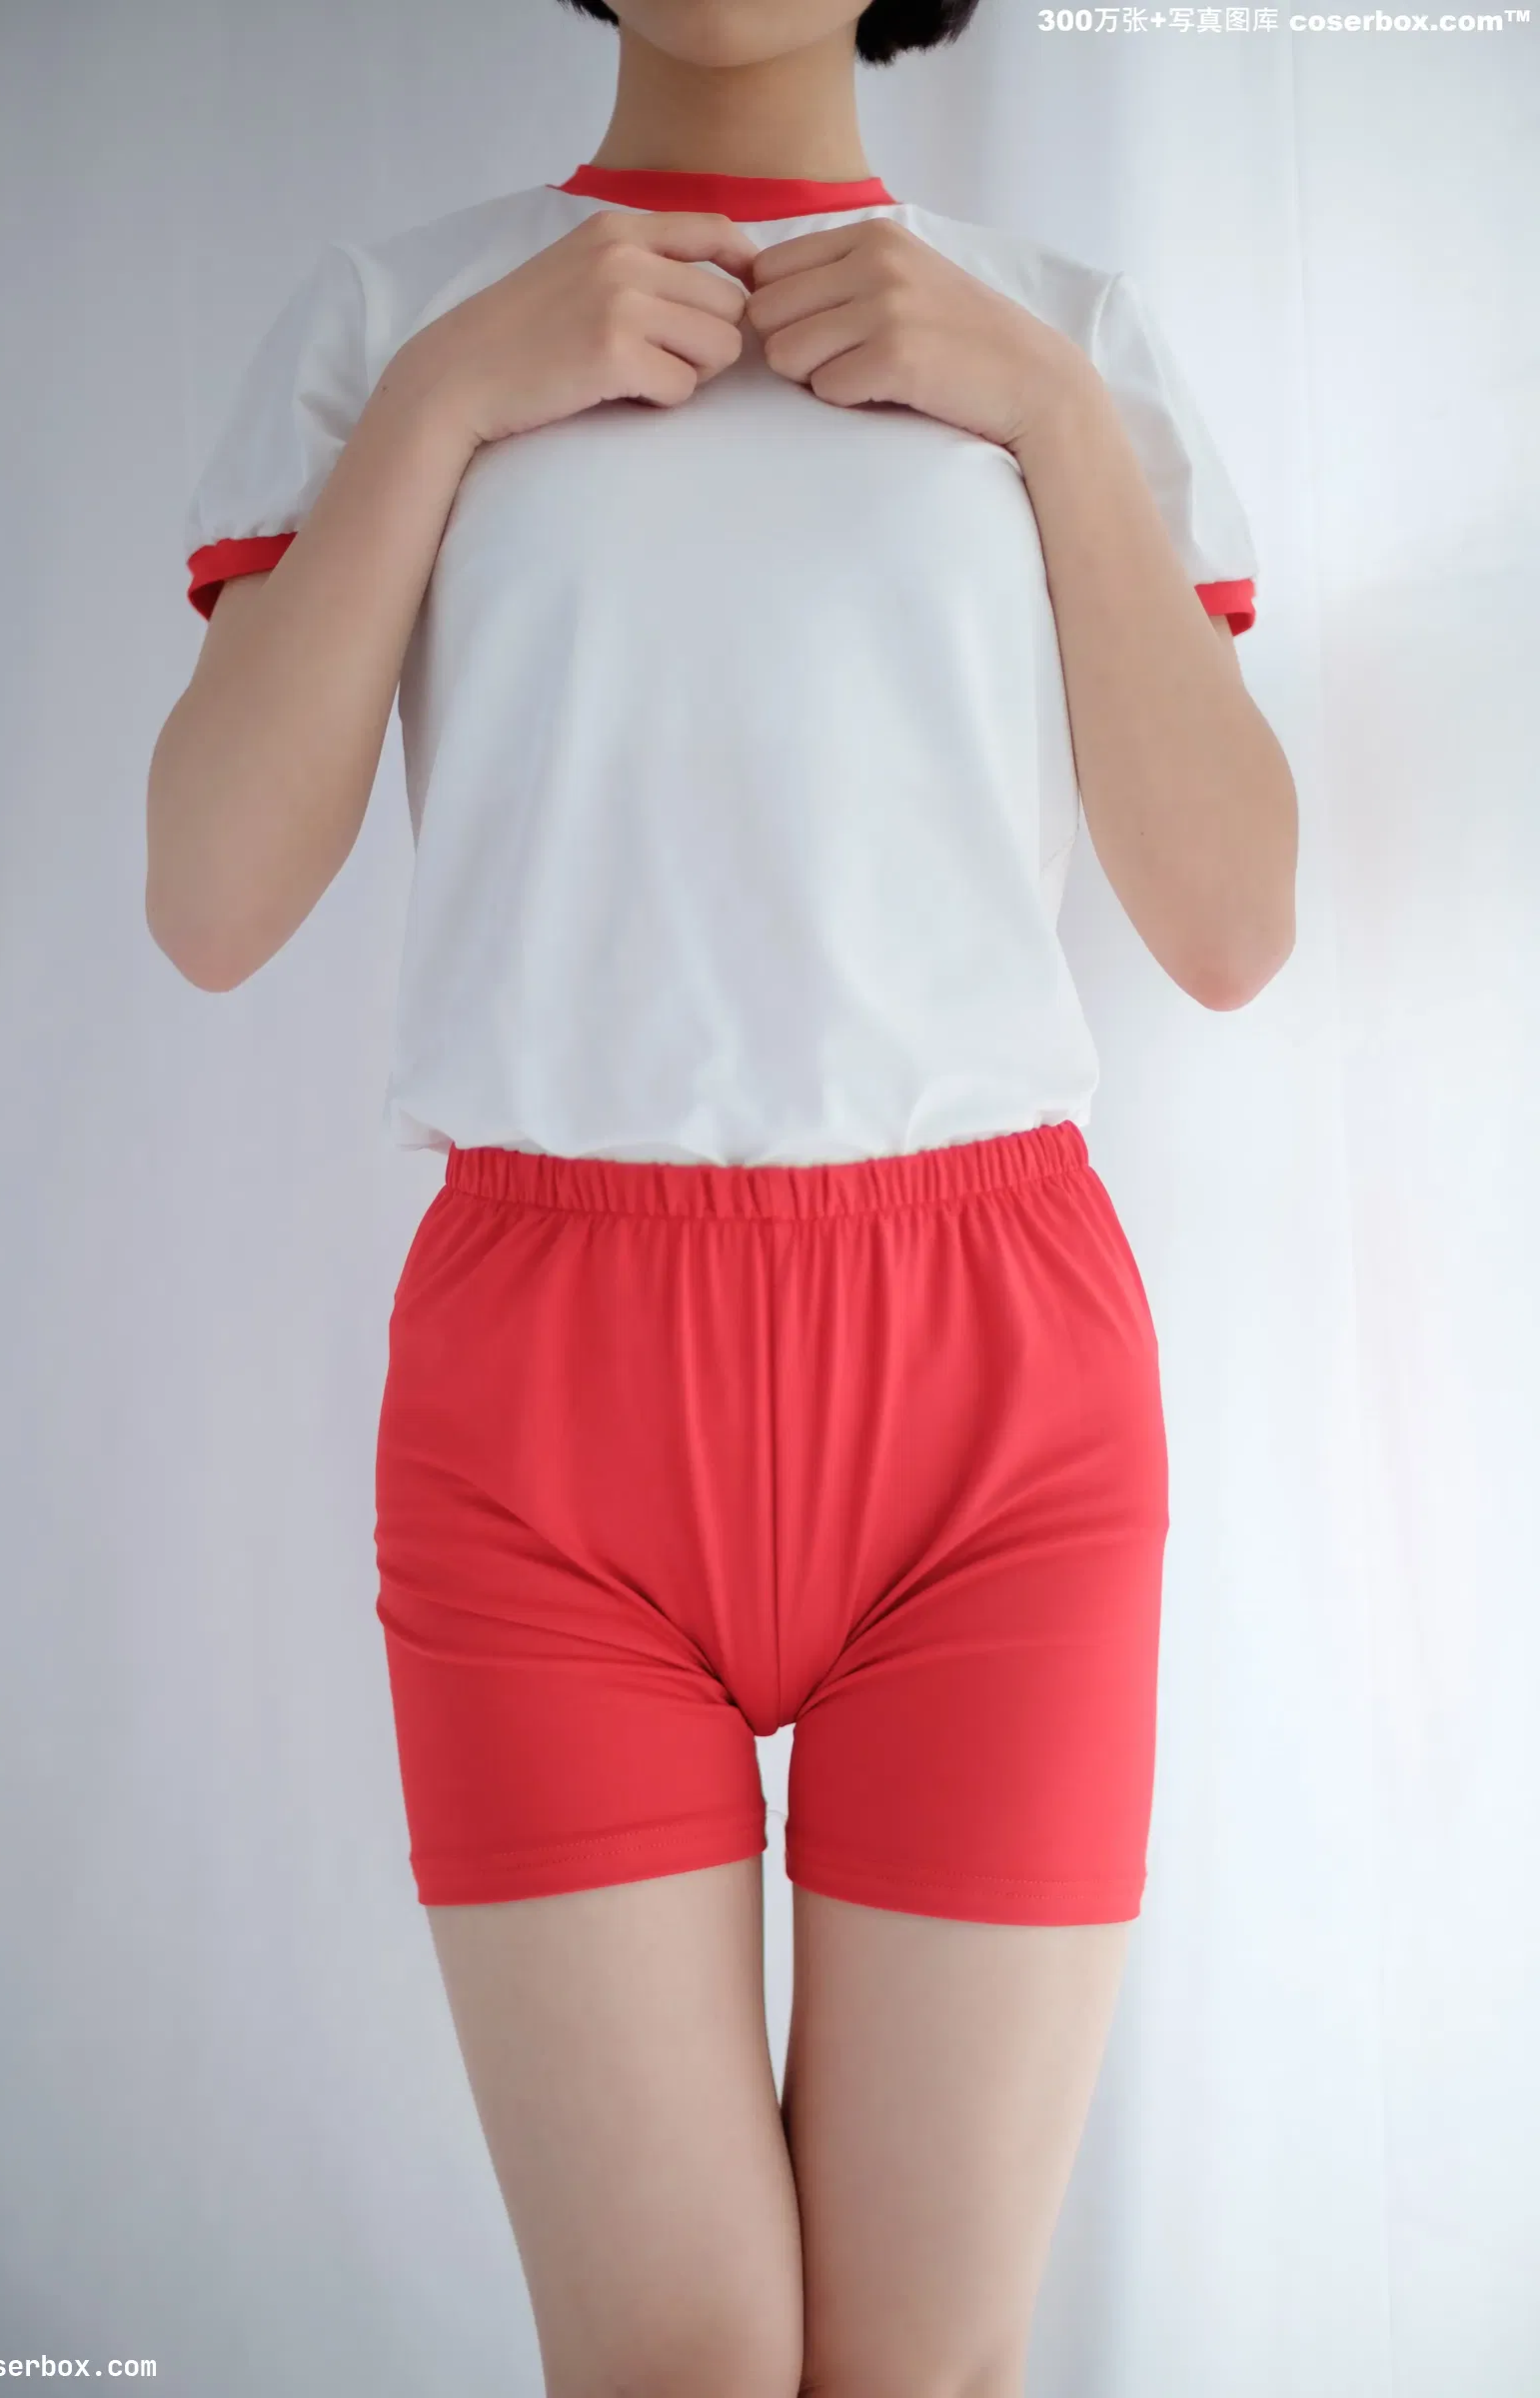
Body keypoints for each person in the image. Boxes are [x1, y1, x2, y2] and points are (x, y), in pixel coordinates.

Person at [147, 1, 1297, 2390]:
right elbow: (212, 900)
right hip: (544, 1411)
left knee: (921, 2361)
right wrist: (446, 404)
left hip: (992, 1405)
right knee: (672, 2354)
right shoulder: (397, 319)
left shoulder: (1062, 331)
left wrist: (1042, 413)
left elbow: (1225, 921)